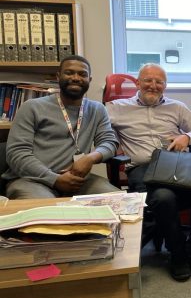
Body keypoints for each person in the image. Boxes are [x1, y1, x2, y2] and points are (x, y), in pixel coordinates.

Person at [106, 64, 191, 283]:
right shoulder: (116, 108)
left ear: (165, 86)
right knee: (163, 197)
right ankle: (176, 254)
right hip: (143, 168)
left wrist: (187, 138)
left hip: (176, 163)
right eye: (148, 80)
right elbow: (95, 125)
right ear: (137, 83)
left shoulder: (177, 107)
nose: (153, 86)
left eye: (159, 82)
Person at [3, 55, 120, 198]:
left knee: (119, 201)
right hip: (32, 179)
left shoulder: (97, 110)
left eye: (82, 74)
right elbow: (17, 154)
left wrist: (90, 158)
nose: (76, 78)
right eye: (69, 72)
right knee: (47, 212)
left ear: (89, 80)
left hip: (77, 181)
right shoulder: (32, 107)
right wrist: (54, 179)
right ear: (58, 77)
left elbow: (109, 142)